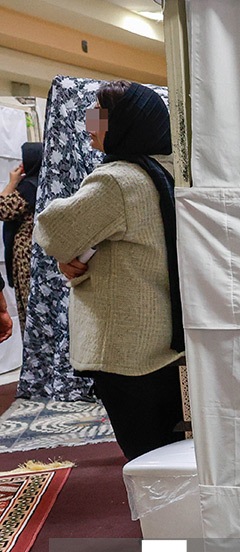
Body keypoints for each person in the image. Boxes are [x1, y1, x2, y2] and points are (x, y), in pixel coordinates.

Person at [32, 81, 183, 460]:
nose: (89, 123)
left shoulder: (117, 181)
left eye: (98, 114)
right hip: (167, 339)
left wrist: (67, 256)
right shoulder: (168, 172)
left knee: (145, 452)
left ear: (125, 122)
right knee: (173, 448)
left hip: (128, 350)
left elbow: (54, 231)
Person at [0, 142, 41, 335]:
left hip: (26, 257)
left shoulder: (29, 187)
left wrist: (11, 183)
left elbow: (2, 209)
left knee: (29, 309)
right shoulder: (41, 183)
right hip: (33, 254)